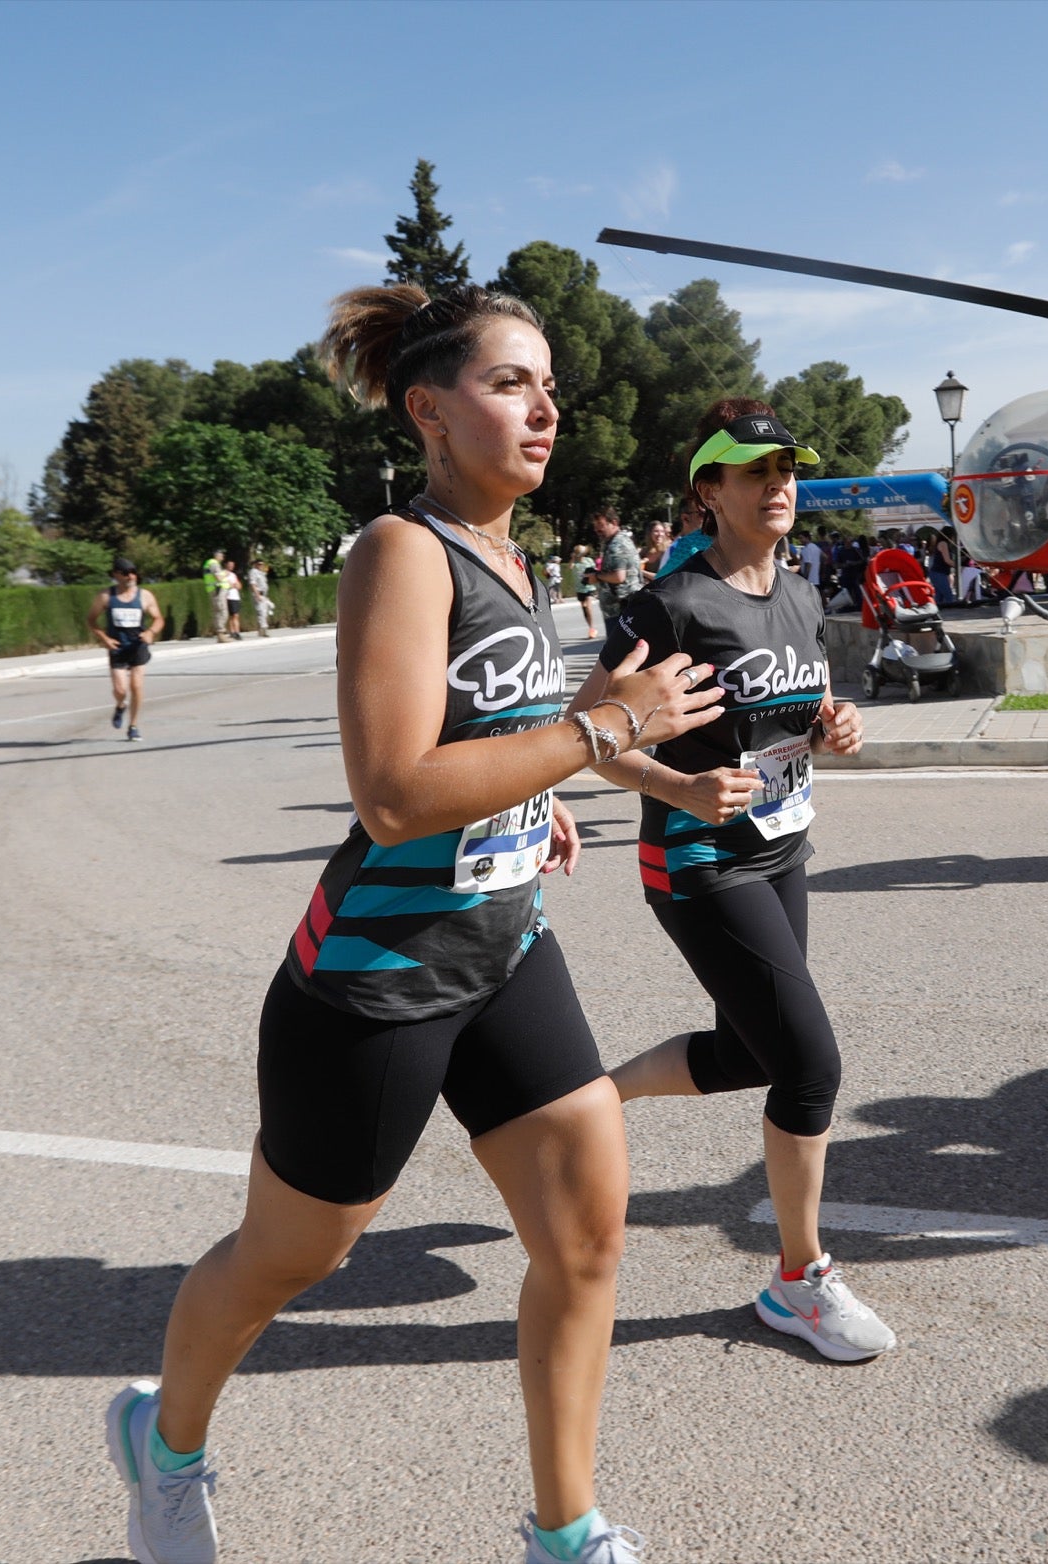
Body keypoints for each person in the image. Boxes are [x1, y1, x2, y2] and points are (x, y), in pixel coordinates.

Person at [104, 281, 723, 1564]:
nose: (546, 407)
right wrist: (602, 730)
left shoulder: (513, 553)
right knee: (292, 1259)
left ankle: (567, 1531)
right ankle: (163, 1446)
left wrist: (541, 788)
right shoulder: (400, 549)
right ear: (429, 409)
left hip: (504, 945)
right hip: (377, 979)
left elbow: (485, 744)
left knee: (586, 1232)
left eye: (551, 385)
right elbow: (390, 794)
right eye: (512, 384)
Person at [569, 398, 897, 1366]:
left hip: (781, 847)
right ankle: (797, 1279)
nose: (779, 485)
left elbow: (795, 710)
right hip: (698, 857)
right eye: (755, 471)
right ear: (708, 490)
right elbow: (585, 736)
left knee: (752, 1051)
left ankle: (592, 1098)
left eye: (786, 469)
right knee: (808, 1063)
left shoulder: (796, 588)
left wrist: (834, 725)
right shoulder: (667, 605)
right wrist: (678, 782)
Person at [87, 556, 164, 742]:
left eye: (133, 572)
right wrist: (104, 638)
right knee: (120, 690)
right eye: (126, 573)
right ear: (116, 575)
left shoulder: (145, 596)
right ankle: (121, 705)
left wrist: (151, 632)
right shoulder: (106, 596)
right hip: (117, 646)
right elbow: (91, 620)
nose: (131, 576)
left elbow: (159, 619)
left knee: (136, 686)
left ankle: (133, 726)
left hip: (138, 645)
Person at [585, 505, 640, 641]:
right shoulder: (617, 541)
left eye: (600, 525)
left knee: (618, 656)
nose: (597, 529)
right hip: (621, 609)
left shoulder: (617, 545)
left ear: (614, 523)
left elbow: (619, 576)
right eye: (595, 525)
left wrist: (596, 576)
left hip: (621, 609)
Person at [569, 543, 599, 639]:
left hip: (589, 587)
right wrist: (573, 558)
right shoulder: (574, 563)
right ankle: (591, 628)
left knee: (588, 606)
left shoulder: (589, 560)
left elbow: (594, 570)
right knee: (584, 609)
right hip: (579, 589)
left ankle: (591, 629)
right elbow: (570, 567)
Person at [202, 551, 229, 641]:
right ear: (217, 556)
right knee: (223, 612)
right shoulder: (214, 563)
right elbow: (218, 578)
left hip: (213, 590)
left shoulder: (209, 563)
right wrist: (225, 573)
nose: (223, 557)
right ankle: (221, 633)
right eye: (222, 555)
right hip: (217, 590)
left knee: (216, 612)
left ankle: (220, 635)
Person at [247, 557, 273, 636]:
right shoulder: (253, 572)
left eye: (262, 564)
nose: (260, 566)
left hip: (263, 595)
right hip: (258, 594)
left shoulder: (261, 573)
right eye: (259, 564)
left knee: (265, 612)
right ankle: (263, 630)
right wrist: (257, 595)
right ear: (255, 564)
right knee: (261, 612)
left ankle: (261, 629)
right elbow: (253, 584)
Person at [224, 561, 244, 640]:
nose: (231, 566)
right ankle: (235, 632)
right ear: (226, 565)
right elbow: (226, 585)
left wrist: (235, 585)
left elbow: (239, 585)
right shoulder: (224, 574)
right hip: (229, 596)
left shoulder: (233, 575)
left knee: (235, 615)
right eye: (230, 565)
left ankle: (234, 632)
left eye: (232, 565)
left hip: (235, 597)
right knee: (233, 615)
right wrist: (232, 585)